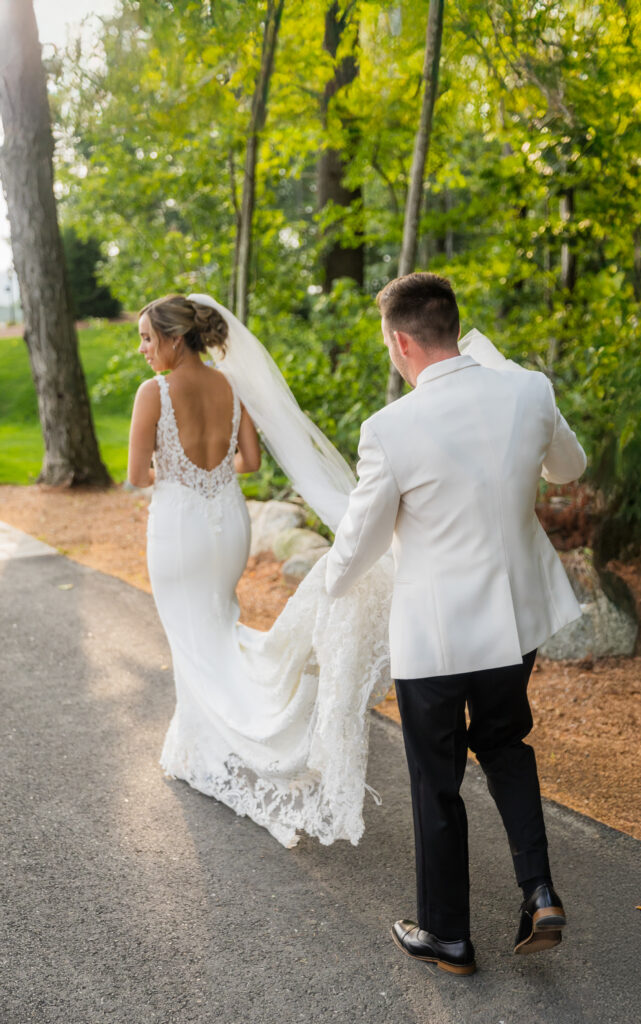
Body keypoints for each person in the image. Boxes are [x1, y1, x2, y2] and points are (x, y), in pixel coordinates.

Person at [325, 272, 587, 975]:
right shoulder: (529, 389)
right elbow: (571, 467)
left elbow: (362, 540)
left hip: (435, 638)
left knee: (436, 778)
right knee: (503, 743)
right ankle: (538, 889)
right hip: (513, 624)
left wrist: (328, 591)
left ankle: (449, 937)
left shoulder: (391, 427)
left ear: (402, 341)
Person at [127, 293, 394, 849]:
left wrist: (173, 467)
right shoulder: (230, 386)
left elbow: (136, 475)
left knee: (192, 636)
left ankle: (236, 741)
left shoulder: (152, 394)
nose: (143, 349)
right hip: (228, 521)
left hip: (179, 529)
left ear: (175, 340)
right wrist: (209, 466)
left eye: (148, 338)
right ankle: (201, 739)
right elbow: (247, 462)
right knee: (215, 627)